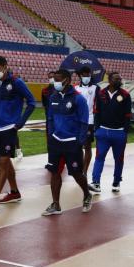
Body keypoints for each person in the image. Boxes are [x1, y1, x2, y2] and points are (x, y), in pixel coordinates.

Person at [0, 56, 35, 212]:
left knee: (3, 162)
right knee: (6, 162)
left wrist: (21, 122)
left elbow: (31, 102)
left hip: (10, 128)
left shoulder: (17, 82)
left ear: (5, 66)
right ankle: (15, 192)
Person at [42, 69, 92, 215]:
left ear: (67, 80)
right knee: (54, 172)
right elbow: (50, 118)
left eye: (58, 79)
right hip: (56, 141)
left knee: (76, 173)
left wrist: (80, 140)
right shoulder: (53, 97)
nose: (55, 82)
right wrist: (51, 135)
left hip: (72, 142)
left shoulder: (78, 99)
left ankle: (87, 194)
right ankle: (56, 204)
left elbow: (84, 122)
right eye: (54, 79)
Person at [89, 72, 132, 194]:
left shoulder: (125, 95)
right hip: (102, 132)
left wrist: (125, 132)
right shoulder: (101, 93)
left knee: (118, 159)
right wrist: (97, 129)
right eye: (116, 79)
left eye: (120, 79)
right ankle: (96, 182)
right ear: (109, 80)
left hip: (119, 133)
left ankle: (116, 181)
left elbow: (128, 115)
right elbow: (96, 112)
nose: (119, 81)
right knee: (99, 157)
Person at [74, 66, 99, 176]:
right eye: (84, 75)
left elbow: (99, 105)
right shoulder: (75, 88)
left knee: (87, 146)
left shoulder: (95, 88)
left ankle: (84, 171)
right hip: (77, 121)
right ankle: (78, 168)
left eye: (88, 75)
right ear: (80, 76)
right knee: (77, 146)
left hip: (89, 120)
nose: (86, 77)